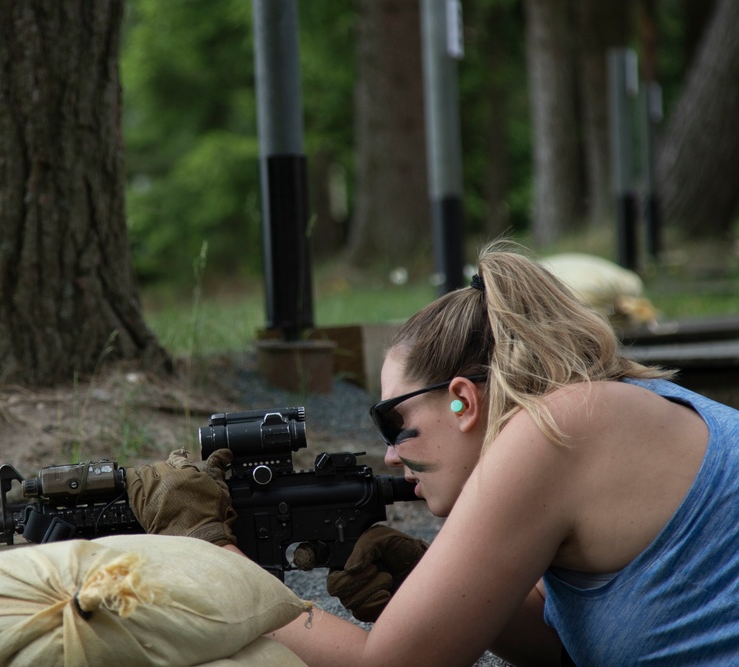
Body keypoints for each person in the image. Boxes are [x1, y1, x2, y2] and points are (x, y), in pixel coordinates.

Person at [128, 240, 739, 666]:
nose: (391, 455)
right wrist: (431, 581)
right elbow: (562, 646)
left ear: (462, 401)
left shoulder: (552, 430)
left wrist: (210, 555)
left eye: (393, 421)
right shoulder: (605, 412)